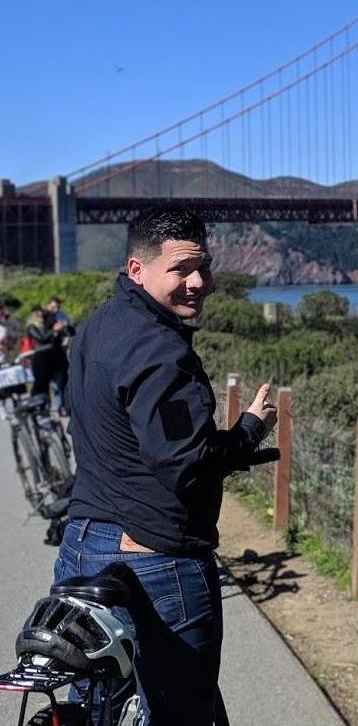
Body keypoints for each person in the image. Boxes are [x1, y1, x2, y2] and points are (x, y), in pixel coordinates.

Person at [53, 207, 277, 725]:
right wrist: (248, 430)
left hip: (82, 543)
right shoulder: (160, 352)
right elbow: (187, 465)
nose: (199, 282)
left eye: (203, 266)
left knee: (91, 703)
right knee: (183, 713)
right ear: (137, 269)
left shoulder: (96, 327)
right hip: (156, 555)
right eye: (181, 269)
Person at [43, 296, 74, 414]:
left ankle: (66, 406)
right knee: (55, 383)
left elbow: (71, 328)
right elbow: (43, 336)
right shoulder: (44, 317)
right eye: (53, 307)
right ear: (48, 305)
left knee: (65, 379)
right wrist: (55, 330)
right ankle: (57, 407)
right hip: (50, 353)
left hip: (62, 351)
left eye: (57, 307)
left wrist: (67, 330)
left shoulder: (62, 315)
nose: (56, 309)